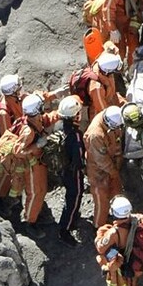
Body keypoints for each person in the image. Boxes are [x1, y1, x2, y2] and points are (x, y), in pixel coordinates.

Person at [0, 75, 61, 213]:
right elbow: (9, 140)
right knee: (8, 174)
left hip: (24, 139)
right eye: (18, 89)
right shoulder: (3, 114)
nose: (21, 91)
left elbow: (36, 100)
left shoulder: (21, 100)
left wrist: (55, 95)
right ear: (13, 92)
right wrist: (31, 145)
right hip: (13, 146)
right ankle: (0, 199)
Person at [12, 94, 60, 239]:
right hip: (31, 167)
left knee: (42, 190)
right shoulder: (28, 131)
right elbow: (18, 151)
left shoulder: (34, 121)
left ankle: (36, 213)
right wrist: (37, 145)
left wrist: (61, 113)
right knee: (35, 193)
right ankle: (30, 222)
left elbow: (46, 119)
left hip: (39, 164)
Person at [84, 106, 125, 229]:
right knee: (101, 199)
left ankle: (116, 216)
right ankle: (99, 227)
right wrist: (113, 171)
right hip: (97, 171)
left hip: (111, 162)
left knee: (115, 191)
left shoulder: (110, 116)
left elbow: (116, 139)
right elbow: (101, 160)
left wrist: (118, 158)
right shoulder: (95, 135)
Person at [56, 96, 86, 247]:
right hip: (74, 173)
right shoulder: (76, 135)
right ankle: (65, 229)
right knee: (74, 197)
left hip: (63, 170)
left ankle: (71, 219)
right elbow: (79, 158)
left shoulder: (59, 127)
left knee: (70, 196)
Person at [87, 52, 127, 121]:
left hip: (109, 102)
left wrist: (125, 104)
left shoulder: (105, 68)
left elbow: (113, 94)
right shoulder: (97, 88)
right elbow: (103, 111)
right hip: (98, 115)